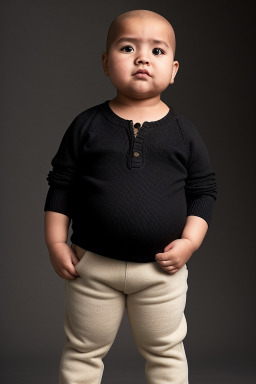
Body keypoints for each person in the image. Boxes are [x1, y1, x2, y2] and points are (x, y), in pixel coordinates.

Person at [44, 9, 217, 384]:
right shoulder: (86, 125)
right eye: (127, 48)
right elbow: (62, 185)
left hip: (160, 272)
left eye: (156, 51)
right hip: (92, 269)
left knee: (166, 352)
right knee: (83, 352)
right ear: (106, 63)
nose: (141, 58)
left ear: (173, 70)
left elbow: (203, 192)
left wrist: (189, 242)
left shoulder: (184, 133)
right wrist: (56, 242)